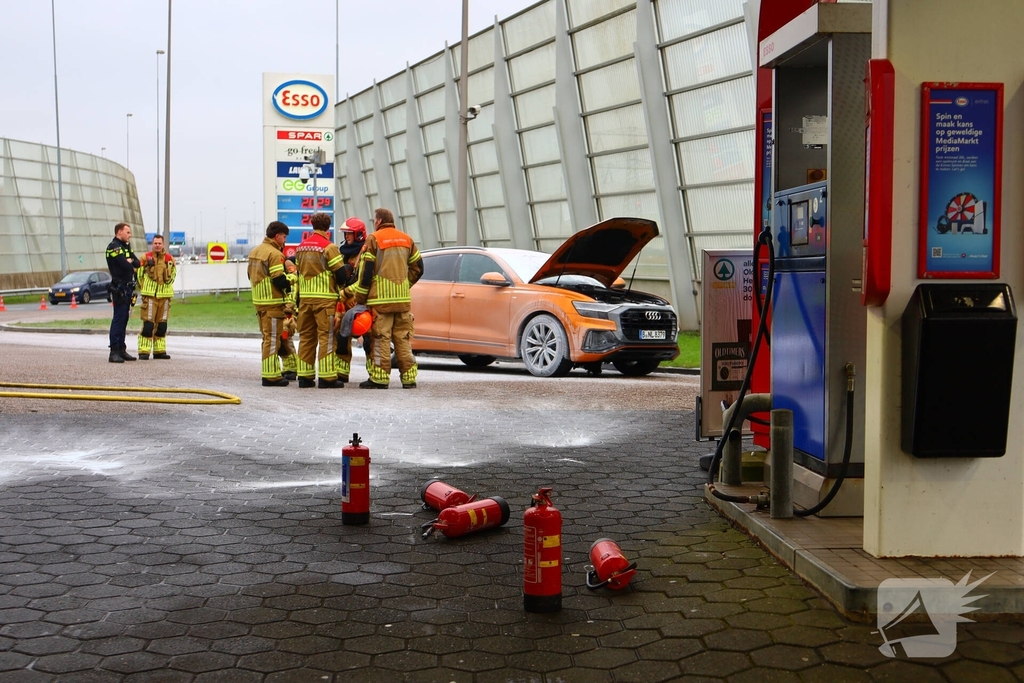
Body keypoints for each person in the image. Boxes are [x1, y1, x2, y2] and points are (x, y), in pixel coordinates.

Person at [346, 207, 423, 389]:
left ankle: (380, 378)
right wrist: (404, 284)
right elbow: (419, 268)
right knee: (402, 339)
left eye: (374, 220)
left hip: (380, 302)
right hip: (402, 301)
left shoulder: (374, 239)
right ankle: (409, 378)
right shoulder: (407, 239)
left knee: (380, 338)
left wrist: (360, 298)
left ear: (379, 221)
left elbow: (366, 272)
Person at [295, 212, 345, 388]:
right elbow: (340, 274)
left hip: (305, 300)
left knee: (306, 337)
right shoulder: (329, 247)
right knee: (327, 336)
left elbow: (298, 272)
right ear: (327, 227)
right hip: (325, 300)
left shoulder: (301, 248)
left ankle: (305, 377)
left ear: (313, 225)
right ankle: (327, 377)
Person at [247, 221, 292, 387]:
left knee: (266, 338)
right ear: (277, 236)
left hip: (259, 302)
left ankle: (269, 372)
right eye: (284, 237)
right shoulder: (274, 254)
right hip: (272, 303)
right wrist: (292, 279)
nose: (285, 240)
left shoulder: (254, 251)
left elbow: (249, 275)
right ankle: (271, 376)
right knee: (273, 339)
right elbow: (278, 279)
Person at [334, 217, 367, 384]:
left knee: (369, 340)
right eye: (345, 233)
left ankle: (376, 374)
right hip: (344, 304)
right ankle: (341, 372)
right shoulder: (343, 254)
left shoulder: (365, 254)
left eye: (349, 233)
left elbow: (364, 281)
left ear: (359, 235)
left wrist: (345, 293)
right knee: (341, 338)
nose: (346, 236)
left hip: (360, 303)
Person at [105, 222, 142, 363]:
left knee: (125, 318)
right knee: (119, 318)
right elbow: (126, 266)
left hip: (128, 288)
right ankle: (114, 351)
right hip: (119, 287)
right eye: (127, 232)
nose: (130, 235)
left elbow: (137, 263)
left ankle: (121, 349)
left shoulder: (125, 247)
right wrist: (130, 262)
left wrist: (130, 260)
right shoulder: (114, 247)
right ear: (119, 232)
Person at [136, 234, 176, 360]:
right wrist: (144, 287)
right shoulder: (145, 258)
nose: (157, 245)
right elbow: (138, 274)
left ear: (163, 244)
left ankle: (159, 351)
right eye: (155, 243)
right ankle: (144, 351)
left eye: (159, 243)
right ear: (152, 244)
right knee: (148, 325)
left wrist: (167, 284)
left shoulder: (169, 259)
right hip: (150, 297)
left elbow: (173, 274)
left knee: (162, 326)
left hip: (165, 297)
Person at [279, 258, 299, 381]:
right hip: (286, 312)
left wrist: (288, 310)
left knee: (286, 339)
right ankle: (288, 367)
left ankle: (292, 368)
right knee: (283, 340)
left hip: (289, 314)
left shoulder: (292, 278)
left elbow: (292, 295)